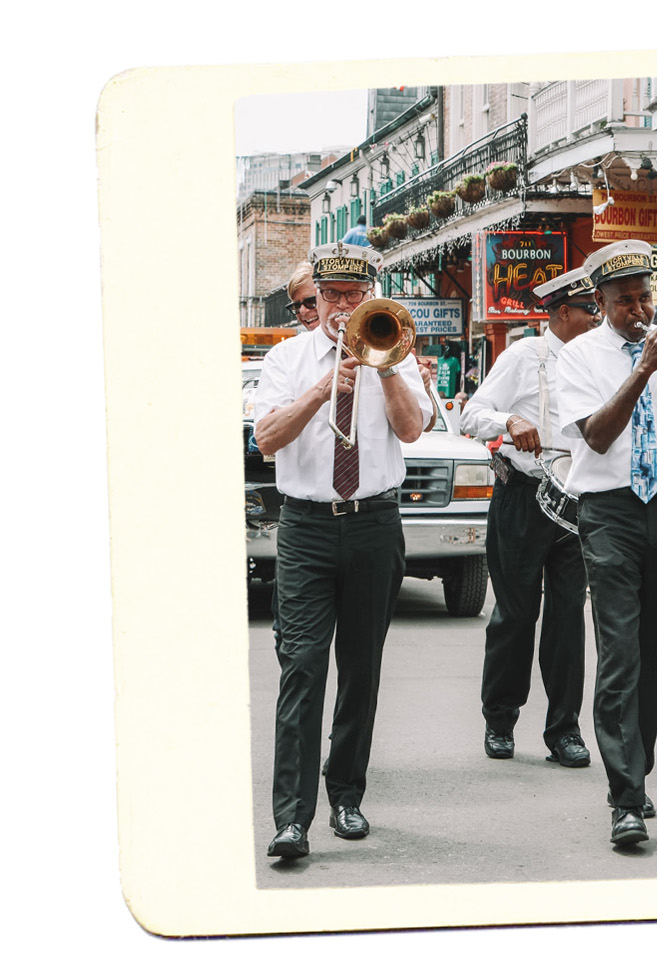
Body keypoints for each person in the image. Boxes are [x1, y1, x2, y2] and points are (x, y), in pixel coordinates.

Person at [253, 241, 431, 860]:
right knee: (302, 668)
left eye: (356, 297)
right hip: (306, 526)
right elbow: (269, 438)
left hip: (374, 522)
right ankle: (291, 819)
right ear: (317, 299)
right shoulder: (287, 359)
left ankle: (347, 795)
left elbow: (412, 429)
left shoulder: (396, 351)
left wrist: (382, 368)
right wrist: (324, 386)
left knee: (361, 669)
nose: (343, 307)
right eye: (332, 296)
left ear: (371, 297)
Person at [554, 239, 657, 846]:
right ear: (600, 303)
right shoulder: (580, 358)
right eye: (625, 301)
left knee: (654, 650)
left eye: (645, 297)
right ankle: (624, 798)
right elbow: (594, 437)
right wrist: (642, 371)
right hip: (610, 510)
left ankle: (637, 772)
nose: (640, 309)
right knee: (619, 648)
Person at [459, 266, 601, 769]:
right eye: (590, 310)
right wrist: (509, 420)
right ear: (562, 313)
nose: (597, 317)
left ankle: (564, 729)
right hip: (523, 494)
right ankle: (500, 718)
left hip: (578, 499)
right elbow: (472, 414)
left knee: (568, 620)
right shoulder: (525, 355)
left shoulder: (601, 360)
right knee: (516, 615)